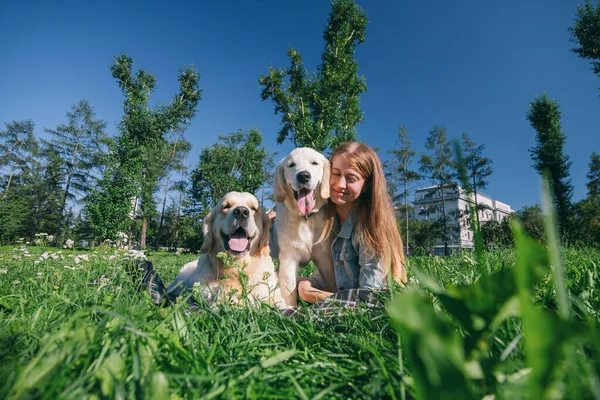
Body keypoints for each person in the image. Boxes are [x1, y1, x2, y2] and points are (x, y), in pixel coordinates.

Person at [297, 142, 407, 306]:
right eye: (335, 173)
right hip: (332, 293)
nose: (340, 184)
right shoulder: (327, 215)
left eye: (351, 178)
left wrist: (309, 293)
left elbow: (372, 301)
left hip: (359, 309)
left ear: (367, 185)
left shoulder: (370, 229)